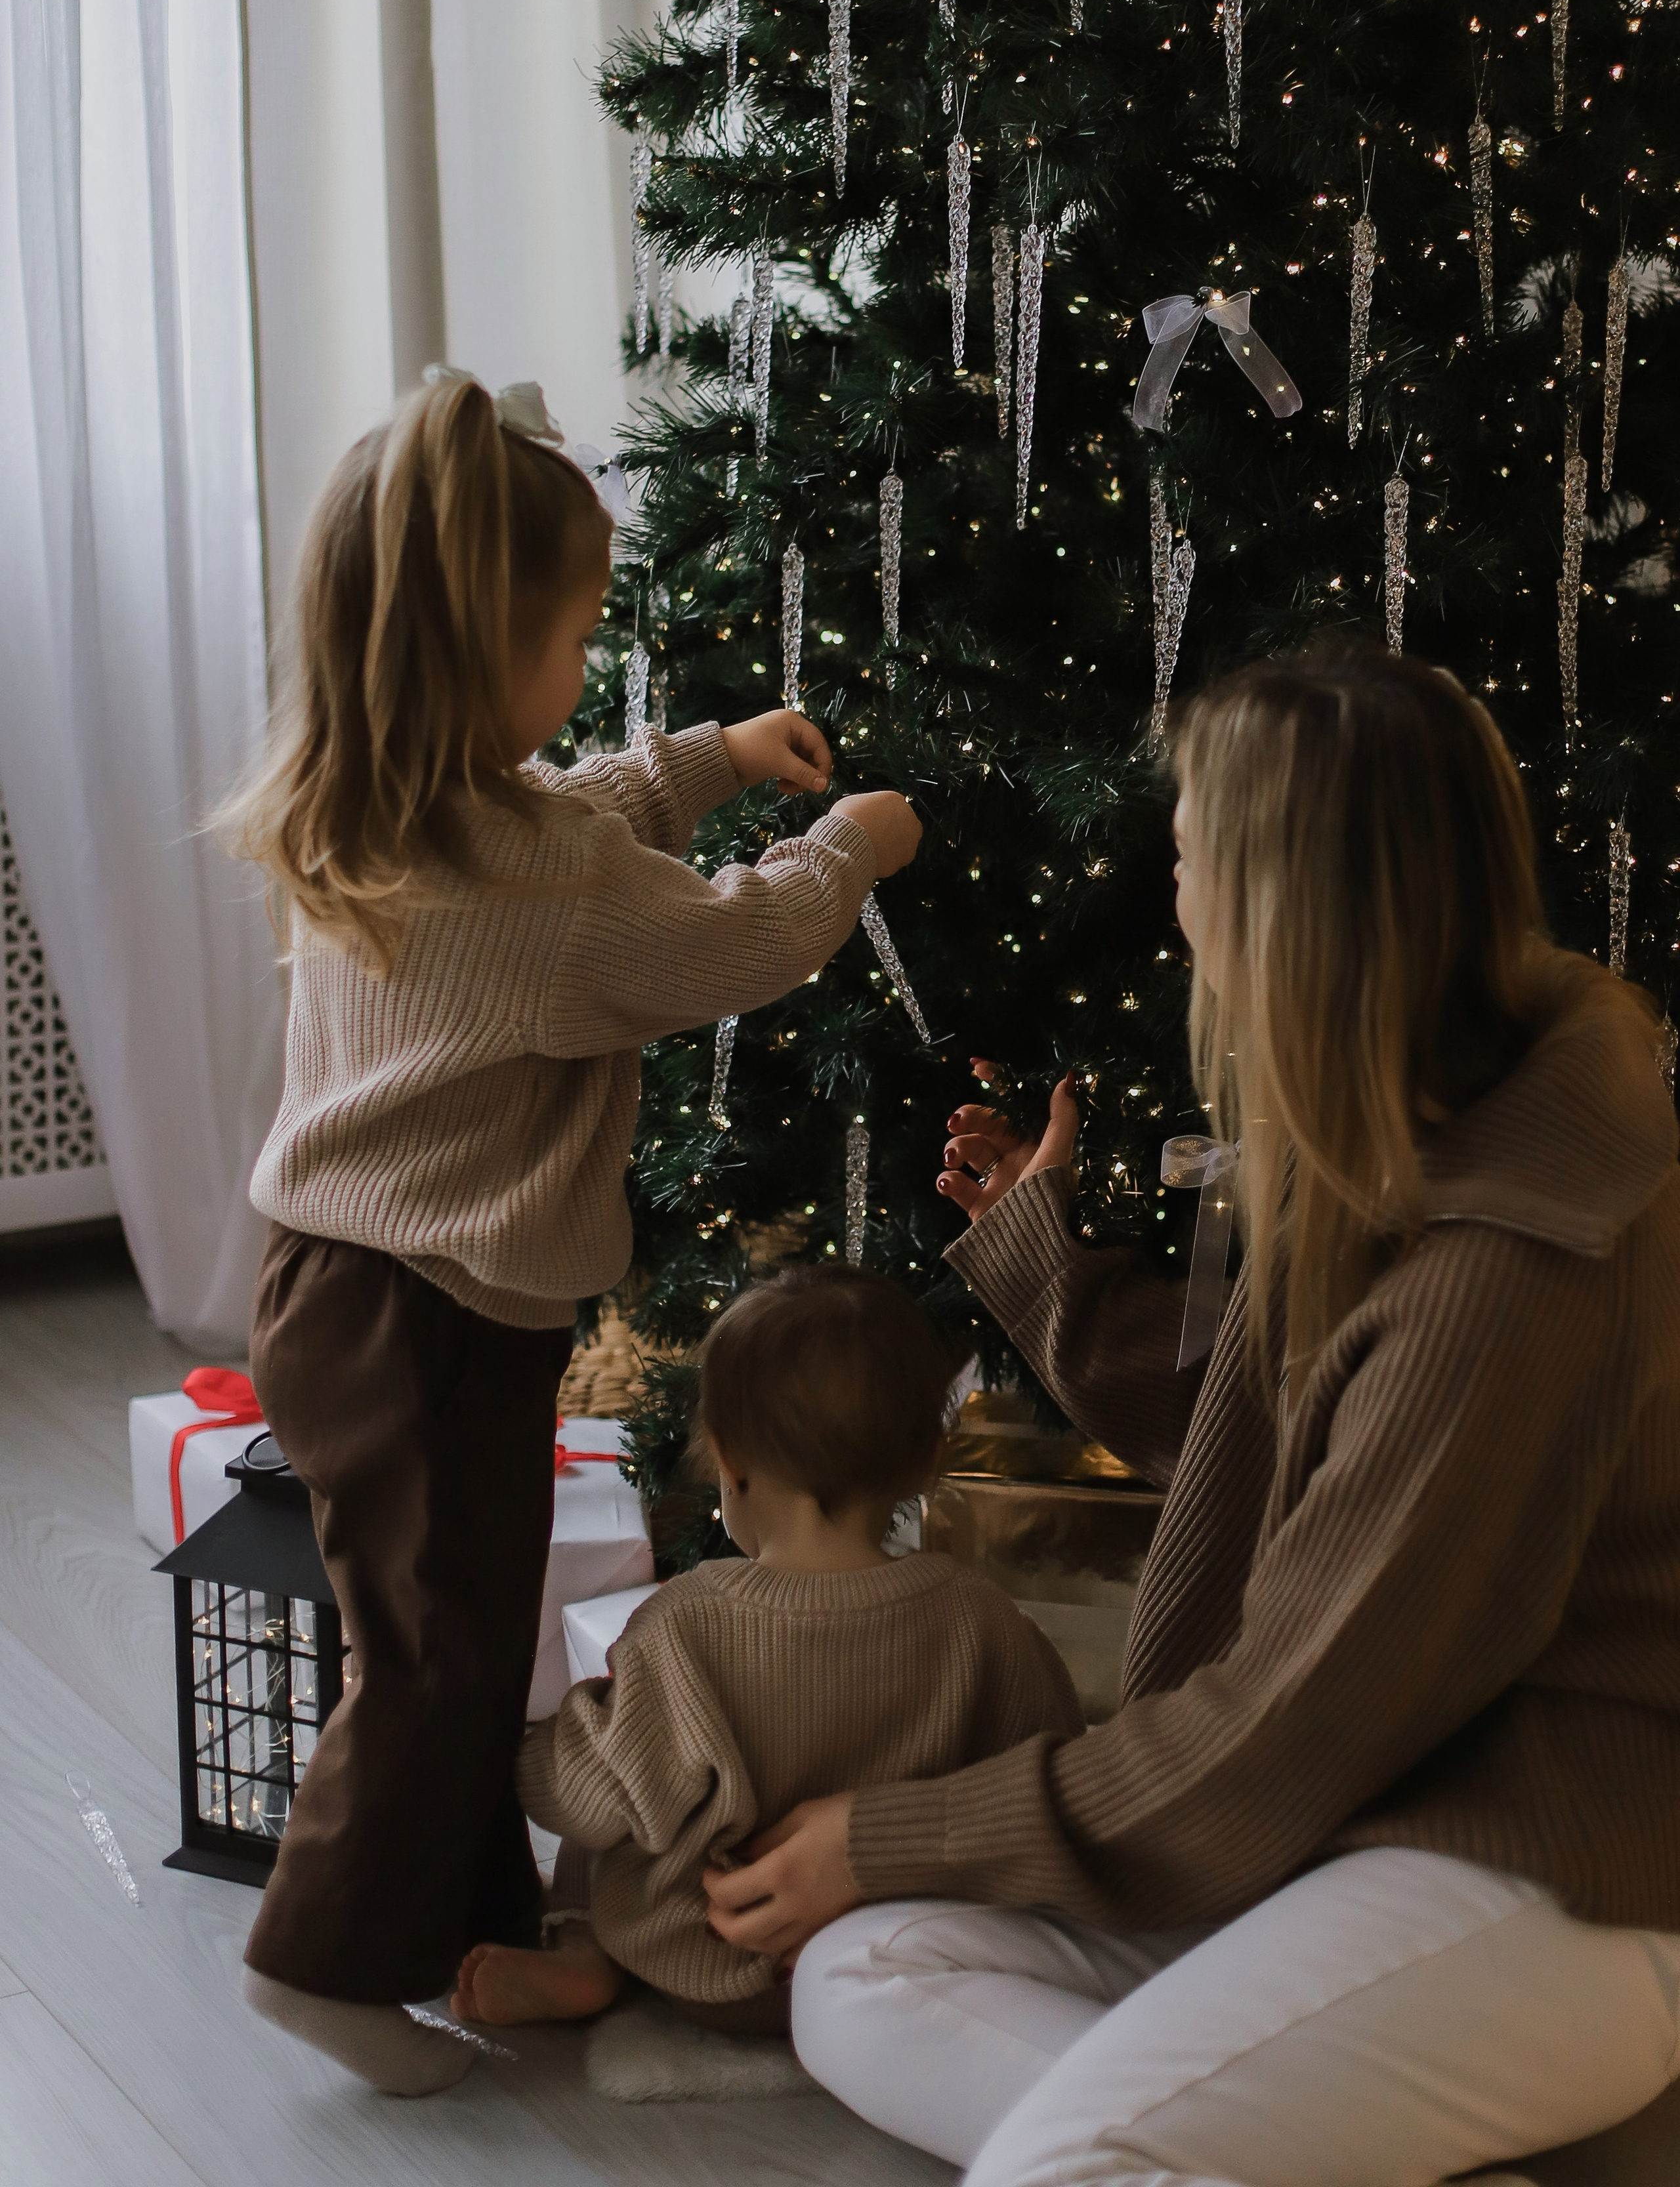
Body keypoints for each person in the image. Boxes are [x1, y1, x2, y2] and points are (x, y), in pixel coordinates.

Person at [705, 644, 1680, 2187]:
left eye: (1184, 862)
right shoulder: (1412, 1120)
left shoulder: (1508, 1262)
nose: (1173, 907)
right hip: (1365, 1816)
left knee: (1057, 2159)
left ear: (1278, 906)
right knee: (862, 1973)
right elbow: (1300, 1444)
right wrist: (1044, 1275)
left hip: (1546, 1868)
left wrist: (879, 1831)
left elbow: (1269, 1736)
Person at [220, 369, 921, 2095]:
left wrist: (703, 761)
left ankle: (457, 1938)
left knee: (449, 1631)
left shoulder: (385, 797)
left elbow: (577, 821)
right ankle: (323, 1961)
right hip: (426, 1311)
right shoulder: (532, 895)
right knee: (441, 1655)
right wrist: (843, 848)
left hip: (353, 1284)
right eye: (576, 633)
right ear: (484, 657)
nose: (586, 661)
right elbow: (716, 944)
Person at [450, 1265, 1082, 2039]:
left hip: (704, 1959)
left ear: (727, 1459)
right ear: (926, 1459)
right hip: (898, 1954)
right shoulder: (982, 1618)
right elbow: (1046, 1764)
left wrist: (537, 1746)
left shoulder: (684, 1622)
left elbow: (587, 1795)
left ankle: (589, 1952)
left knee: (610, 1816)